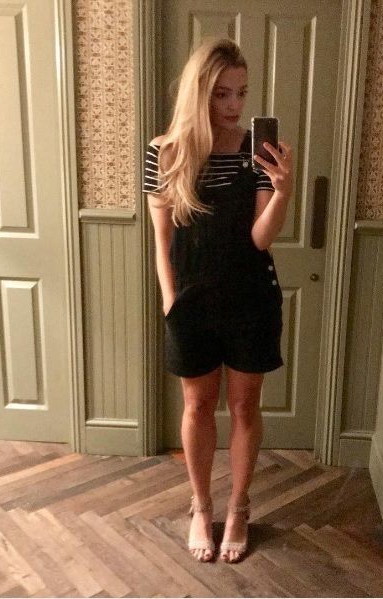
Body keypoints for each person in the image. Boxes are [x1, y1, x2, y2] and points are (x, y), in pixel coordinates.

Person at [143, 36, 293, 564]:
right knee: (197, 406)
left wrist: (282, 191)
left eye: (241, 93)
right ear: (199, 92)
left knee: (245, 406)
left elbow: (260, 238)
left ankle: (239, 507)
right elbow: (162, 239)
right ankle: (201, 506)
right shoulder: (164, 152)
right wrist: (170, 302)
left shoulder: (256, 152)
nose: (234, 105)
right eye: (222, 94)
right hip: (191, 304)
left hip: (251, 299)